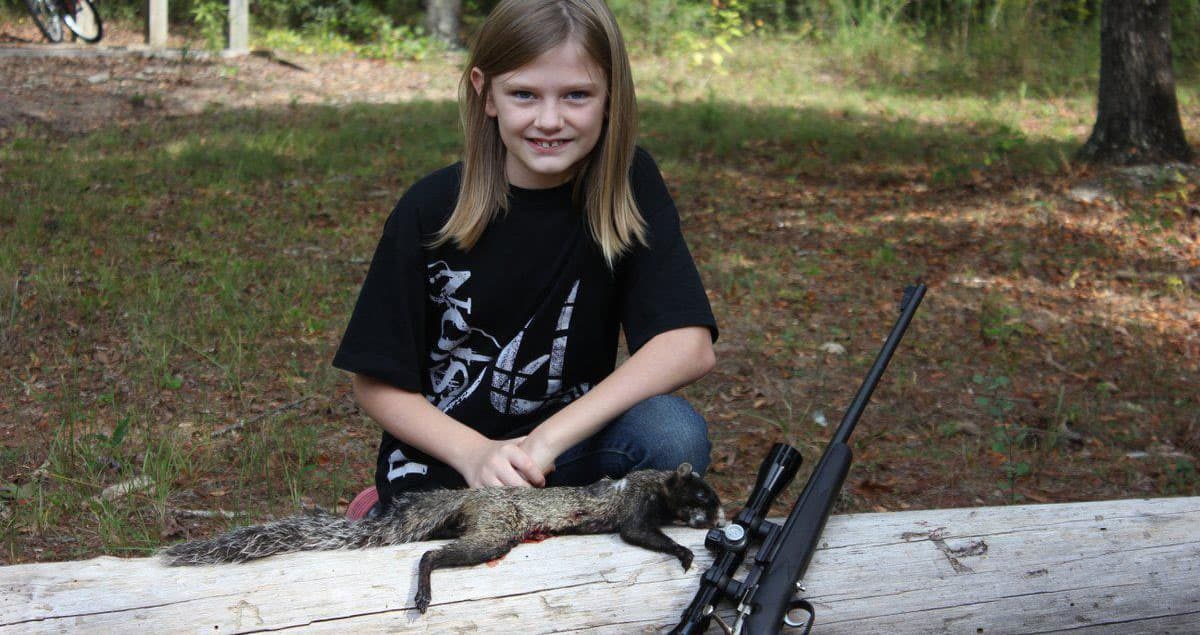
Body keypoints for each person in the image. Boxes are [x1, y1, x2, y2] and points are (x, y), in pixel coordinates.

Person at [334, 0, 718, 519]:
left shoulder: (626, 186)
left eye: (577, 95)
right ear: (484, 91)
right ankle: (380, 509)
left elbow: (687, 345)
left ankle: (561, 522)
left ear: (611, 97)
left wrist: (545, 441)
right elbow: (375, 380)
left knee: (673, 433)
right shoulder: (429, 210)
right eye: (524, 94)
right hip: (449, 465)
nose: (549, 120)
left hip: (563, 457)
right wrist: (475, 453)